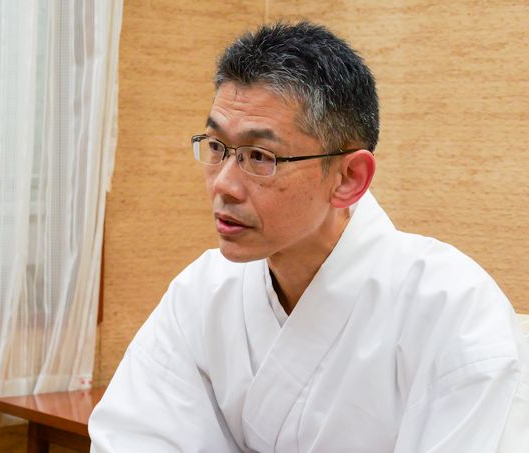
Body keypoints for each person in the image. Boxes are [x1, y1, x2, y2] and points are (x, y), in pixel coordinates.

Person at [89, 21, 529, 452]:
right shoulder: (201, 293)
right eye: (217, 147)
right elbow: (131, 438)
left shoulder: (453, 311)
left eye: (260, 156)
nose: (223, 184)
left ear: (349, 178)